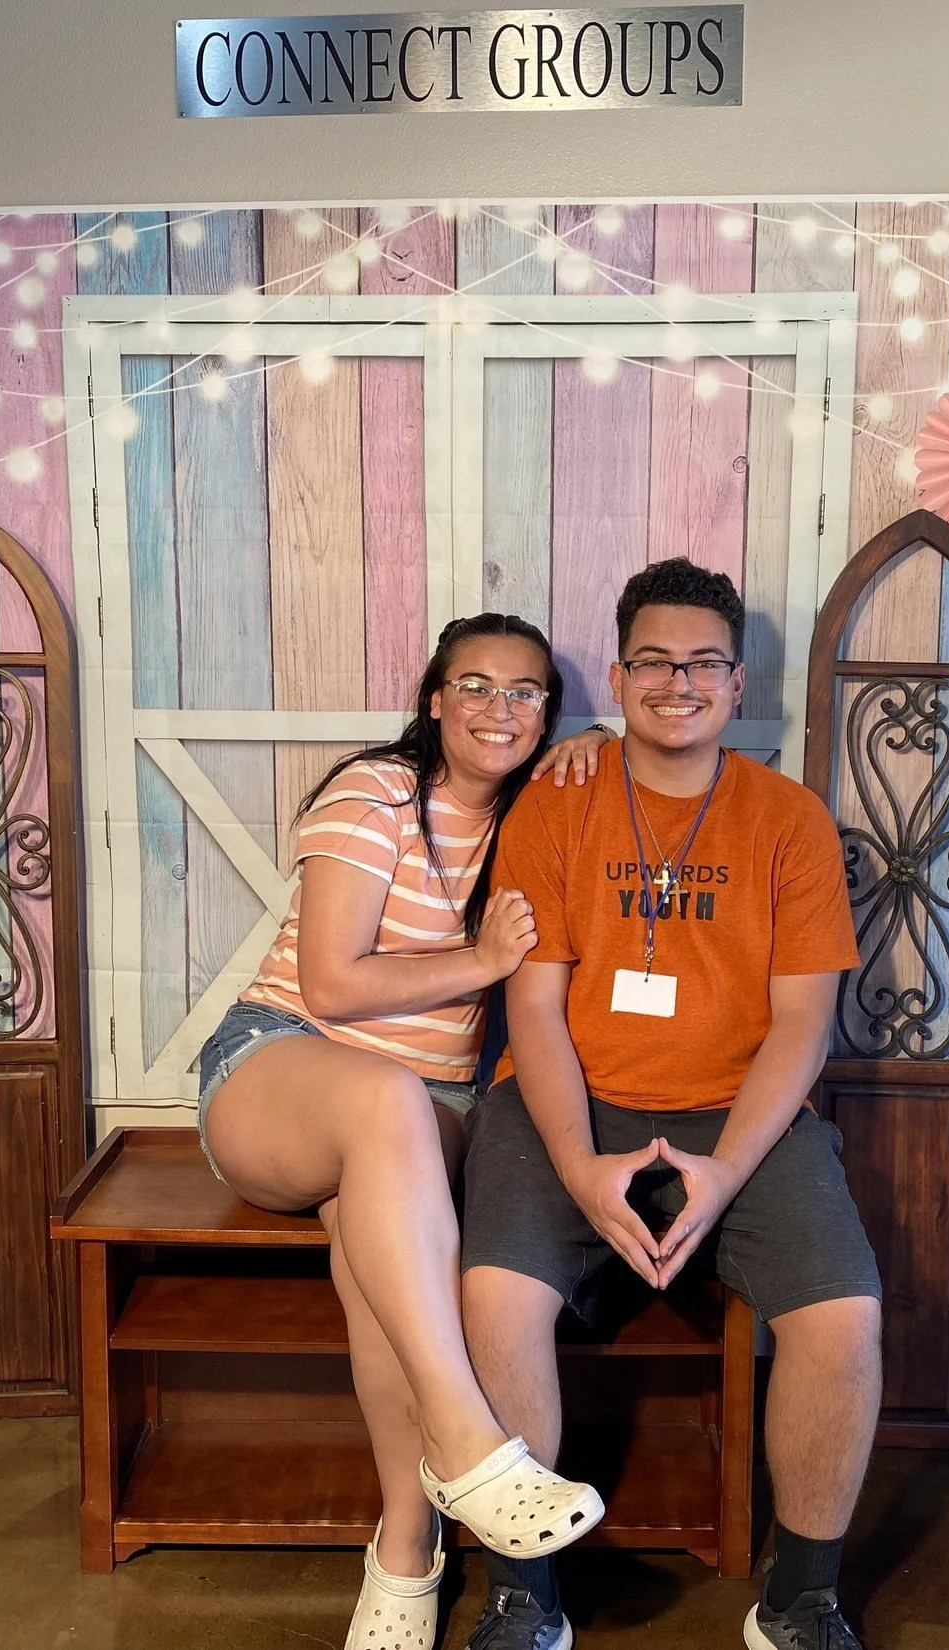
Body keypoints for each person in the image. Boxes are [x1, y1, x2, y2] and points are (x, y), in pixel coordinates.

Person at [457, 559, 885, 1650]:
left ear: (737, 685)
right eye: (653, 660)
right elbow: (535, 1010)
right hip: (569, 1101)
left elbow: (802, 1026)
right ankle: (522, 1593)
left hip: (741, 1115)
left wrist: (724, 1172)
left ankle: (802, 1599)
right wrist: (575, 1165)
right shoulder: (556, 807)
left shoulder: (788, 823)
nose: (677, 681)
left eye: (703, 662)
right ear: (618, 674)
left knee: (842, 1322)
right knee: (498, 1306)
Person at [197, 614, 616, 1650]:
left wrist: (599, 749)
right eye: (474, 686)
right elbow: (333, 986)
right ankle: (469, 1447)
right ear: (434, 698)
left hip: (429, 1119)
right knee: (384, 1100)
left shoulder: (537, 811)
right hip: (282, 1068)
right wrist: (477, 963)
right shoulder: (375, 792)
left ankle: (405, 1554)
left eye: (526, 694)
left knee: (373, 1253)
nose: (498, 710)